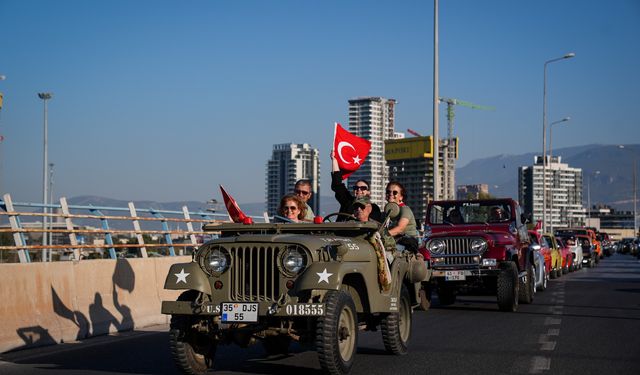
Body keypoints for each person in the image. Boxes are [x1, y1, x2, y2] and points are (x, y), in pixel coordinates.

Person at [329, 150, 382, 222]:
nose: (359, 190)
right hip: (341, 231)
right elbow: (337, 184)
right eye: (356, 188)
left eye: (363, 188)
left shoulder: (374, 207)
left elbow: (374, 224)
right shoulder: (347, 201)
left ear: (368, 192)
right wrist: (334, 160)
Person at [385, 181, 418, 251]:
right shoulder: (386, 212)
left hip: (408, 242)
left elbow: (400, 228)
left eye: (395, 192)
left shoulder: (405, 209)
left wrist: (381, 236)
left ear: (401, 197)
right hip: (394, 240)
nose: (391, 194)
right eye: (388, 192)